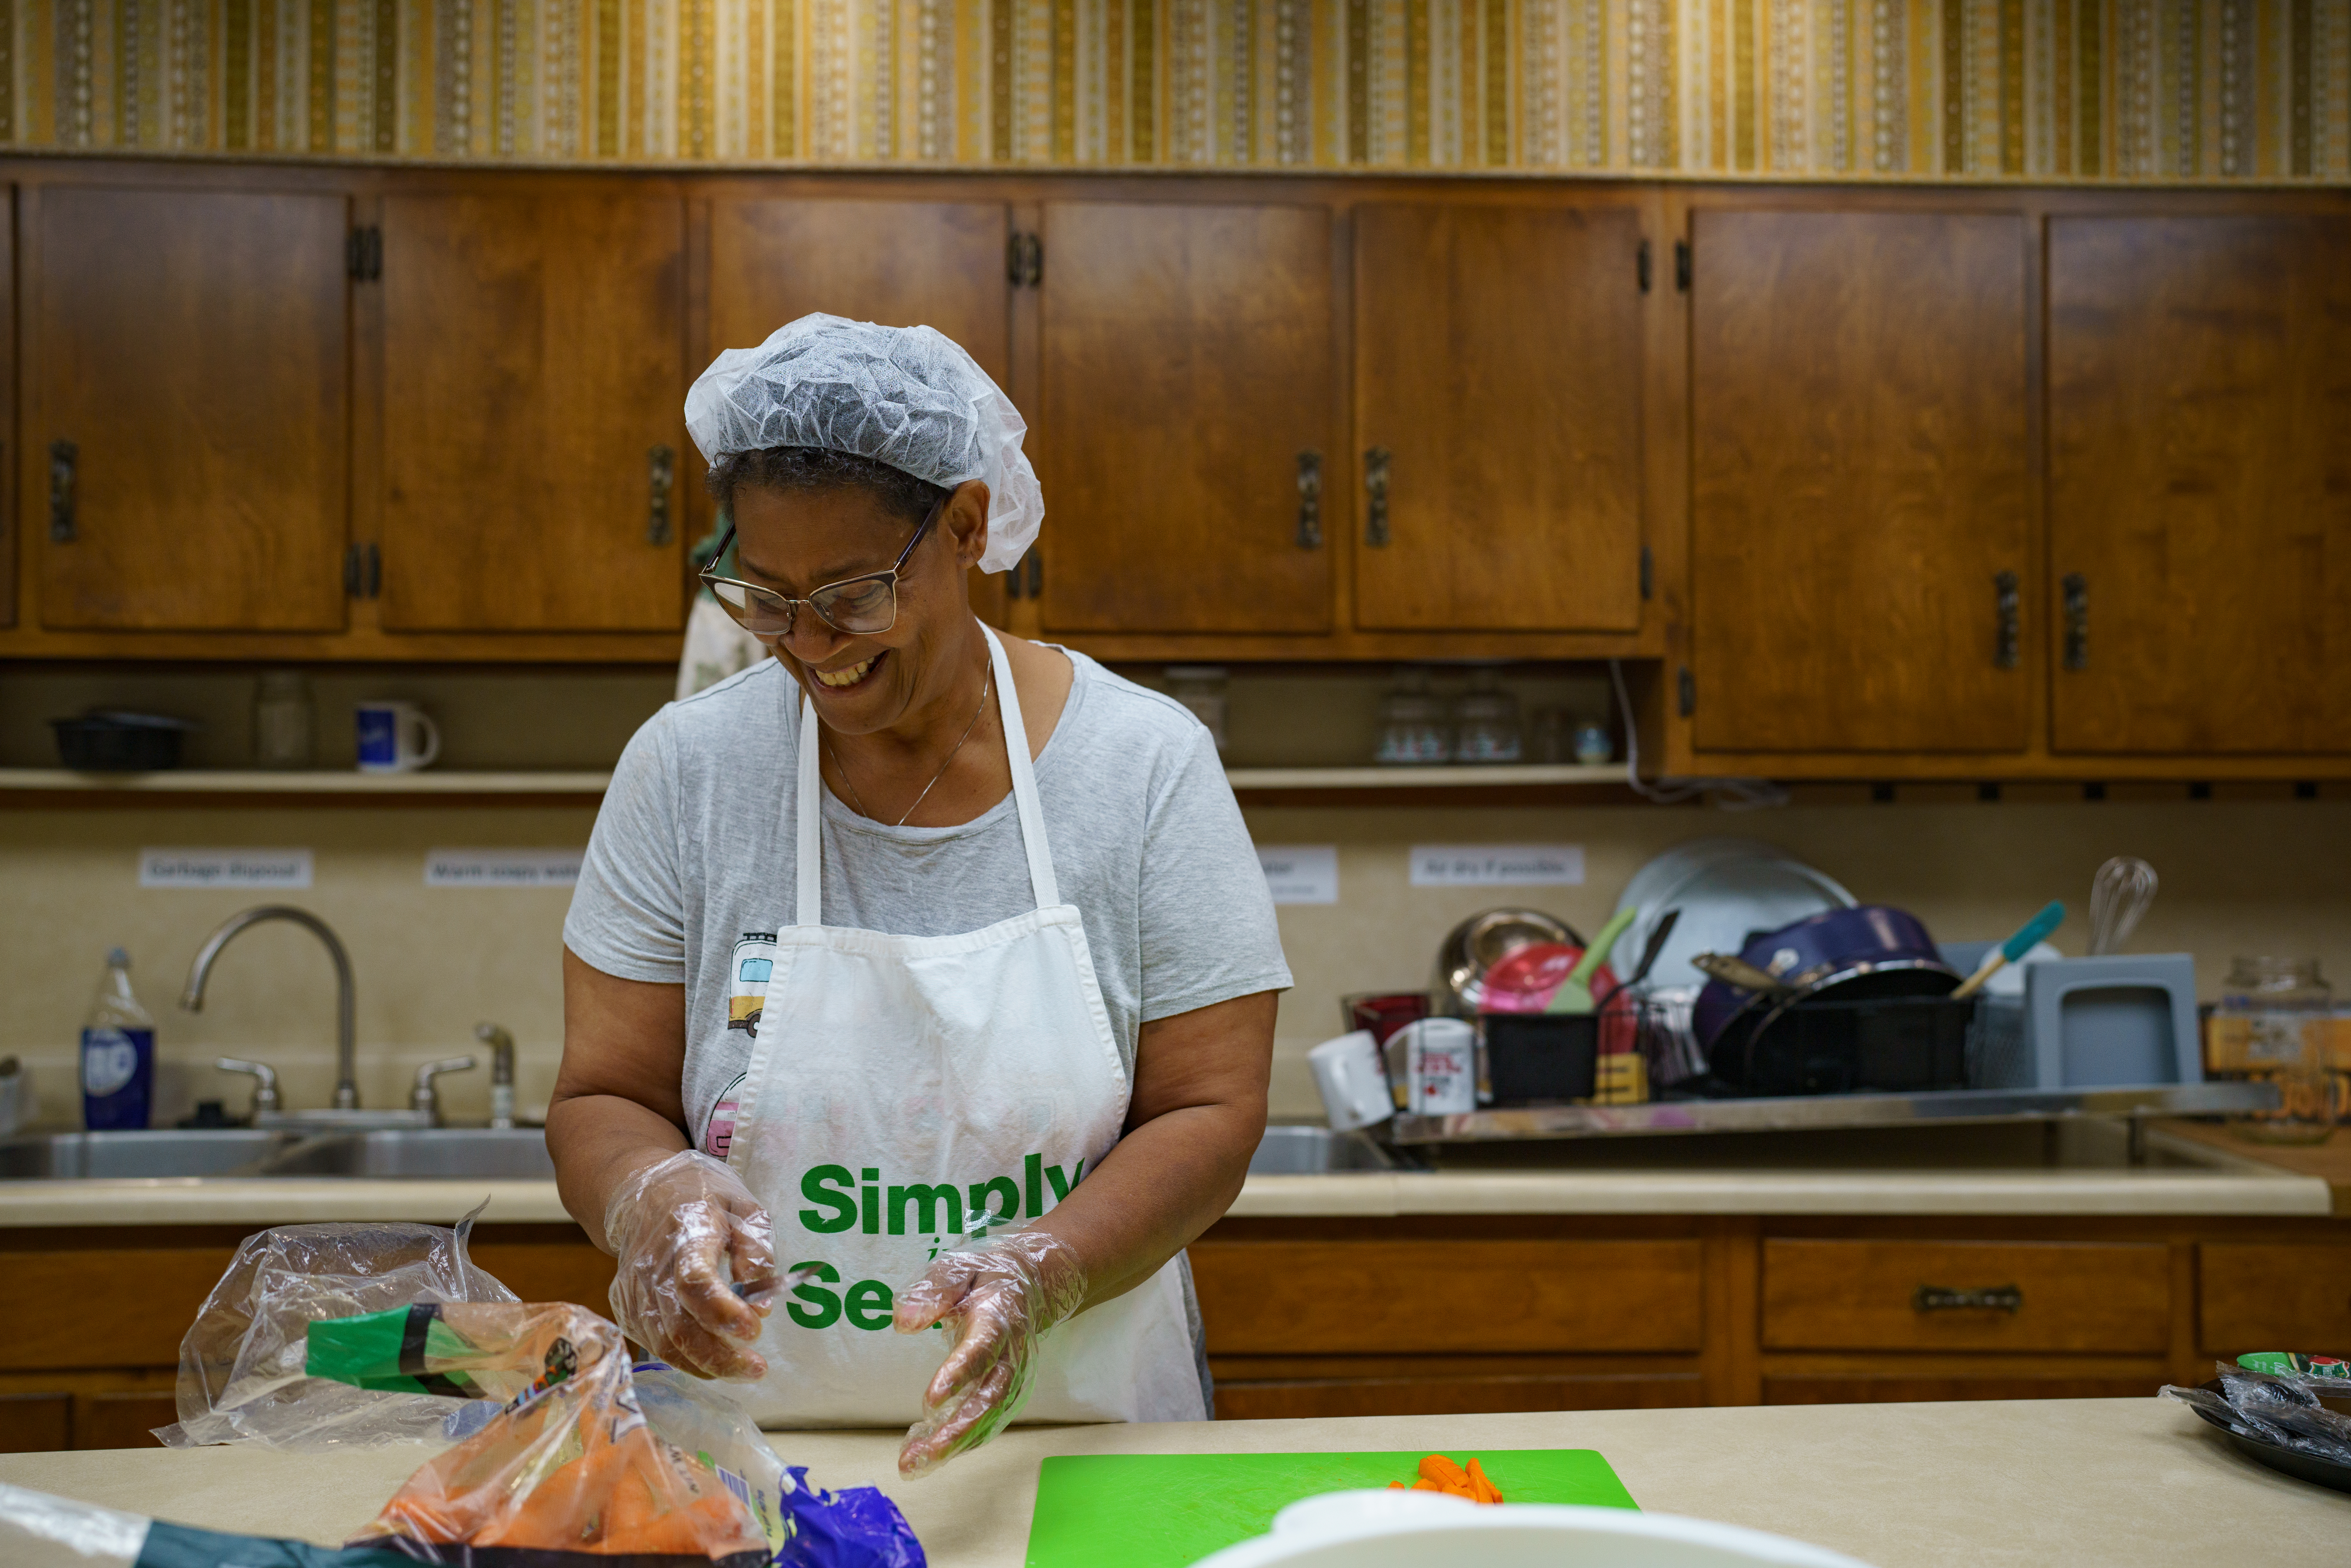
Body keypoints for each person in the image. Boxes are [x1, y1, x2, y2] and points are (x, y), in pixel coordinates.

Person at [549, 314, 1291, 1478]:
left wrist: (1038, 1270)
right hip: (750, 1465)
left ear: (965, 525)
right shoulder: (685, 771)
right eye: (763, 593)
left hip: (1078, 1447)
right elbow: (602, 1093)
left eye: (850, 593)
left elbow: (1211, 1111)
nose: (807, 644)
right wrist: (652, 1198)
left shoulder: (1141, 765)